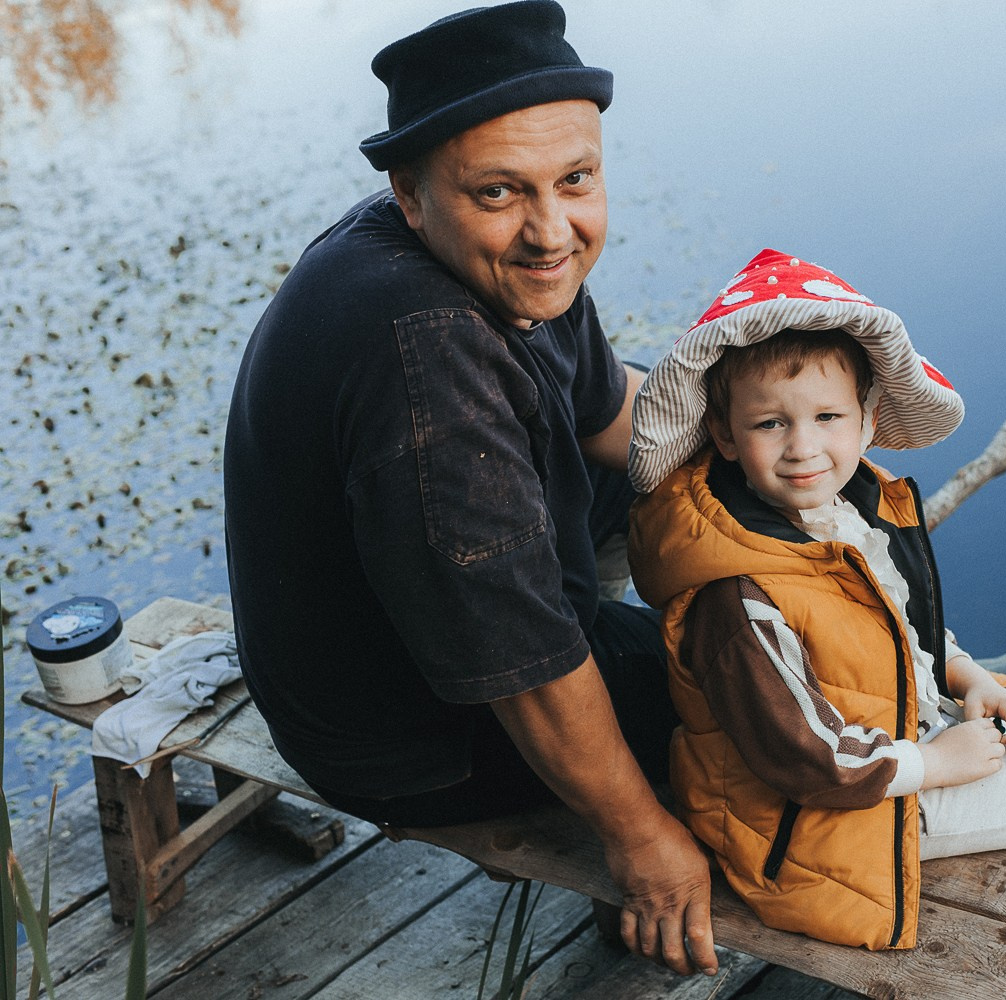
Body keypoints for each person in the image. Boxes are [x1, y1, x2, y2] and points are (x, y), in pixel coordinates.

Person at [222, 2, 717, 976]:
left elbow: (607, 408)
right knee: (746, 697)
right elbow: (526, 664)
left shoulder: (512, 262)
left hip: (431, 589)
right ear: (410, 194)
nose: (551, 230)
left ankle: (848, 625)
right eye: (500, 192)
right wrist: (644, 842)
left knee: (726, 481)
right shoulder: (427, 366)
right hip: (402, 733)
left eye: (576, 180)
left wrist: (780, 461)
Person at [627, 249, 1006, 950]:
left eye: (827, 416)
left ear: (866, 422)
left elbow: (893, 627)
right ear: (724, 435)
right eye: (771, 423)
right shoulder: (734, 593)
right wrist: (938, 764)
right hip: (803, 824)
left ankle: (996, 856)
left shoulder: (850, 511)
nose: (803, 446)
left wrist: (974, 679)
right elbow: (803, 756)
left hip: (867, 755)